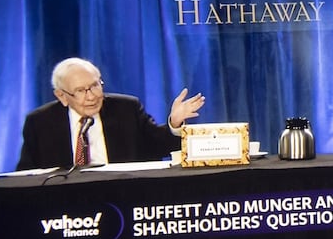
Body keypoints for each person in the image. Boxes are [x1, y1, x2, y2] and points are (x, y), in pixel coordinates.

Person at [15, 57, 206, 171]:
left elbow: (157, 145)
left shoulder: (126, 109)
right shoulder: (40, 122)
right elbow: (26, 174)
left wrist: (174, 122)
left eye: (95, 86)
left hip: (121, 196)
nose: (91, 96)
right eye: (81, 91)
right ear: (62, 96)